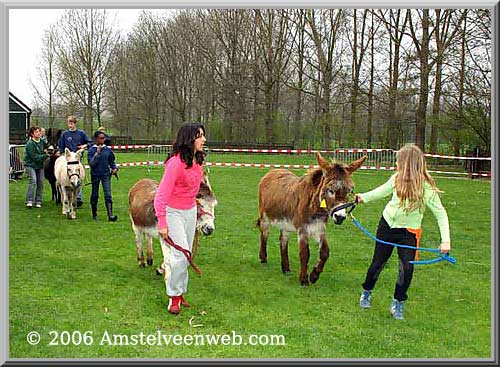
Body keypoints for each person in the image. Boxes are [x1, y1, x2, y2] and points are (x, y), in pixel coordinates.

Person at [355, 143, 451, 320]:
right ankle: (366, 292)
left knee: (406, 268)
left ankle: (398, 303)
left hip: (408, 233)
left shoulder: (426, 188)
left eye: (398, 161)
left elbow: (440, 213)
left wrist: (446, 241)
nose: (396, 164)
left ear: (407, 164)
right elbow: (381, 192)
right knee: (378, 263)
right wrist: (363, 197)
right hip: (387, 227)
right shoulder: (396, 178)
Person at [153, 123, 207, 315]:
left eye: (203, 135)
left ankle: (181, 293)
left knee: (187, 254)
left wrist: (198, 209)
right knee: (180, 255)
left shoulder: (198, 161)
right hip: (173, 212)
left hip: (189, 211)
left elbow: (194, 189)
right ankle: (174, 298)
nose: (204, 140)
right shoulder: (175, 164)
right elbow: (161, 196)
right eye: (199, 136)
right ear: (189, 139)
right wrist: (162, 221)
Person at [58, 115, 93, 207]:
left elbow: (90, 142)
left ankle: (78, 197)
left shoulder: (81, 133)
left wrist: (84, 146)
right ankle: (65, 196)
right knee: (67, 177)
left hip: (77, 159)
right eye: (69, 123)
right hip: (68, 160)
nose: (70, 125)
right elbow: (61, 147)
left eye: (72, 123)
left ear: (75, 123)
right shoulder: (64, 134)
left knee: (78, 176)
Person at [88, 131, 118, 221]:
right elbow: (91, 164)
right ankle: (94, 215)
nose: (103, 140)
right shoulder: (91, 150)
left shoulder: (107, 150)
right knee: (95, 195)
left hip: (105, 174)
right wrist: (97, 154)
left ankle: (110, 215)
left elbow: (111, 161)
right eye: (101, 138)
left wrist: (115, 168)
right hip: (95, 175)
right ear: (96, 139)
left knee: (108, 195)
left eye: (103, 138)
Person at [23, 126, 48, 208]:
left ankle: (38, 201)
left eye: (39, 132)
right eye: (36, 132)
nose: (38, 133)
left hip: (40, 165)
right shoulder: (30, 144)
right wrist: (45, 155)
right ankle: (29, 201)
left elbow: (47, 147)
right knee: (33, 181)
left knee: (40, 182)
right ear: (32, 134)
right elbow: (34, 157)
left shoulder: (42, 142)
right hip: (30, 165)